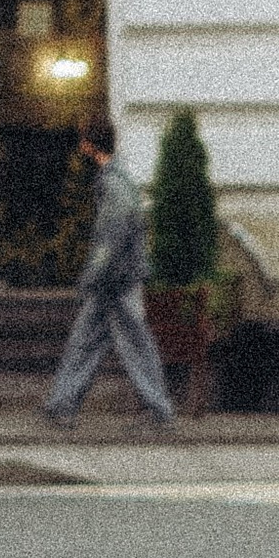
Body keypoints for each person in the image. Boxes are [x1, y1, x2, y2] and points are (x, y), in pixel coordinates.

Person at [41, 115, 178, 436]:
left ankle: (159, 411)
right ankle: (61, 405)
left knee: (132, 345)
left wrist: (93, 274)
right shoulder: (117, 179)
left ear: (89, 145)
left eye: (82, 142)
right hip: (115, 281)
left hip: (116, 282)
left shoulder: (113, 183)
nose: (79, 149)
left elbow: (111, 237)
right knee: (87, 341)